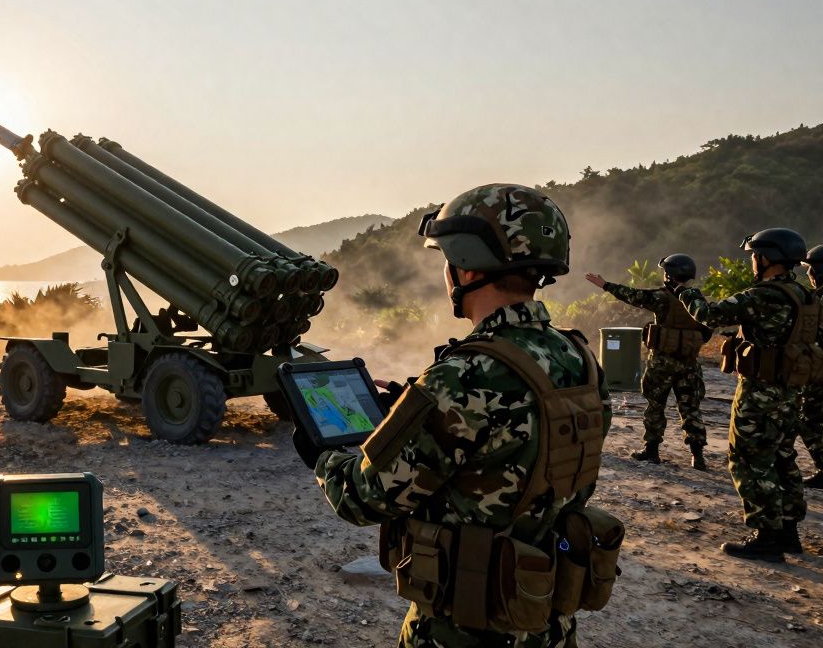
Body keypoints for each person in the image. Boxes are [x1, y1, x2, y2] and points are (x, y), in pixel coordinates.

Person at [310, 184, 612, 648]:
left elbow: (364, 499)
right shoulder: (578, 357)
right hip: (545, 620)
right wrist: (409, 415)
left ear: (466, 265)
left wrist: (322, 455)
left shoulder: (465, 376)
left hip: (467, 627)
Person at [677, 228, 812, 561]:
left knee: (751, 461)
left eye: (754, 255)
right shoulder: (804, 295)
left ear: (767, 258)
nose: (752, 261)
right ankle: (788, 533)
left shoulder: (765, 295)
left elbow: (710, 316)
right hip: (791, 392)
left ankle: (767, 537)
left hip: (760, 393)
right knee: (783, 458)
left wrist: (684, 293)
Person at [585, 254, 711, 469]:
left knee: (655, 406)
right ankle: (697, 455)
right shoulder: (698, 300)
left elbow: (632, 295)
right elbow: (707, 331)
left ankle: (651, 451)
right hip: (689, 364)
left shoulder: (661, 298)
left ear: (669, 275)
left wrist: (605, 285)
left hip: (661, 362)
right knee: (690, 408)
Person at [799, 244, 823, 488]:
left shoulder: (817, 301)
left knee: (808, 419)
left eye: (811, 270)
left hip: (818, 371)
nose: (809, 275)